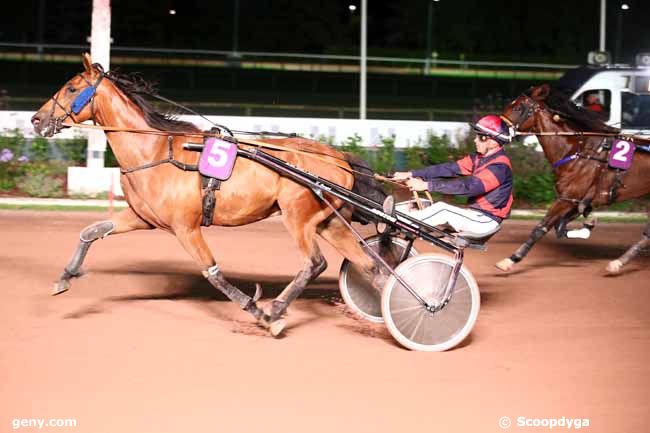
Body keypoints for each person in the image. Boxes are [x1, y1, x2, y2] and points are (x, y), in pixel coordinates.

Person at [391, 115, 514, 238]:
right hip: (474, 215)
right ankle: (391, 214)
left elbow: (469, 187)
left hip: (485, 220)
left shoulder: (499, 166)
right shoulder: (479, 158)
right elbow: (448, 169)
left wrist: (426, 185)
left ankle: (398, 222)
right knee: (422, 204)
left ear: (493, 142)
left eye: (480, 137)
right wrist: (411, 174)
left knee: (442, 209)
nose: (475, 140)